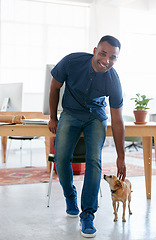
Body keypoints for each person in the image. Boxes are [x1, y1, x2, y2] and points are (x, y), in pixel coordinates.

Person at [48, 35, 126, 238]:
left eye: (112, 57)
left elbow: (117, 120)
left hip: (95, 117)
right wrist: (53, 117)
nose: (107, 60)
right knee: (62, 158)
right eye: (103, 53)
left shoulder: (113, 79)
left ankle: (88, 214)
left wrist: (121, 156)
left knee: (94, 161)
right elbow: (55, 87)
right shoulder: (72, 62)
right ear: (94, 50)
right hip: (70, 113)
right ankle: (70, 196)